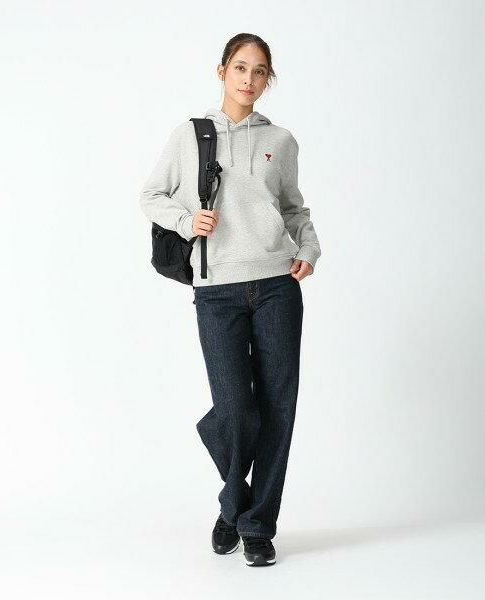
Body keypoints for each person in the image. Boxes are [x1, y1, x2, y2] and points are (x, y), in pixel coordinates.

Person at [139, 33, 321, 567]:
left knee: (278, 407)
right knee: (236, 408)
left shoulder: (281, 140)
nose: (249, 79)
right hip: (216, 289)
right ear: (222, 71)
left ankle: (257, 526)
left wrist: (309, 248)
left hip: (277, 285)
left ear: (268, 79)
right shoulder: (190, 136)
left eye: (259, 71)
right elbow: (151, 195)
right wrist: (186, 220)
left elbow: (294, 208)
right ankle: (234, 502)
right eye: (240, 67)